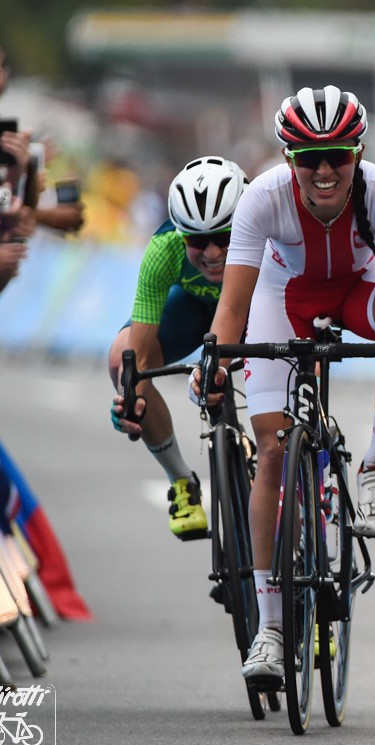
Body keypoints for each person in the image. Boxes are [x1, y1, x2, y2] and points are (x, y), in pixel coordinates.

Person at [193, 86, 375, 687]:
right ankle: (270, 629)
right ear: (288, 156)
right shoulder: (262, 197)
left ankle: (374, 467)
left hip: (362, 291)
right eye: (307, 156)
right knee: (270, 449)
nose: (322, 170)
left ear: (358, 153)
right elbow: (233, 304)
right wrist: (214, 361)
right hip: (285, 299)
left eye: (337, 155)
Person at [107, 156, 249, 539]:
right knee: (122, 361)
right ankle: (181, 481)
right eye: (197, 240)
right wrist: (132, 394)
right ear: (180, 235)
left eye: (224, 237)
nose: (212, 252)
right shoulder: (163, 248)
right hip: (190, 311)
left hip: (254, 309)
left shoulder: (266, 236)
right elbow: (138, 347)